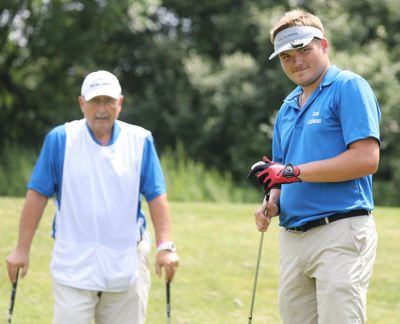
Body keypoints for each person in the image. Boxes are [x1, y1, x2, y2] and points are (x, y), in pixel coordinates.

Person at [6, 70, 180, 324]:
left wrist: (165, 246)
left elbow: (156, 195)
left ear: (119, 103)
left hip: (126, 263)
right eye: (95, 101)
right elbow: (37, 195)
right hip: (73, 264)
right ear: (81, 104)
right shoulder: (60, 139)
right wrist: (22, 249)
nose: (101, 109)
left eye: (108, 101)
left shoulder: (141, 140)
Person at [248, 9, 381, 324]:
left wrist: (293, 172)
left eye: (304, 50)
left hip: (340, 230)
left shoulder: (349, 86)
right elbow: (280, 173)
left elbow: (366, 159)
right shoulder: (287, 107)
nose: (296, 62)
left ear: (323, 45)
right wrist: (272, 201)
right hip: (293, 237)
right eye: (286, 57)